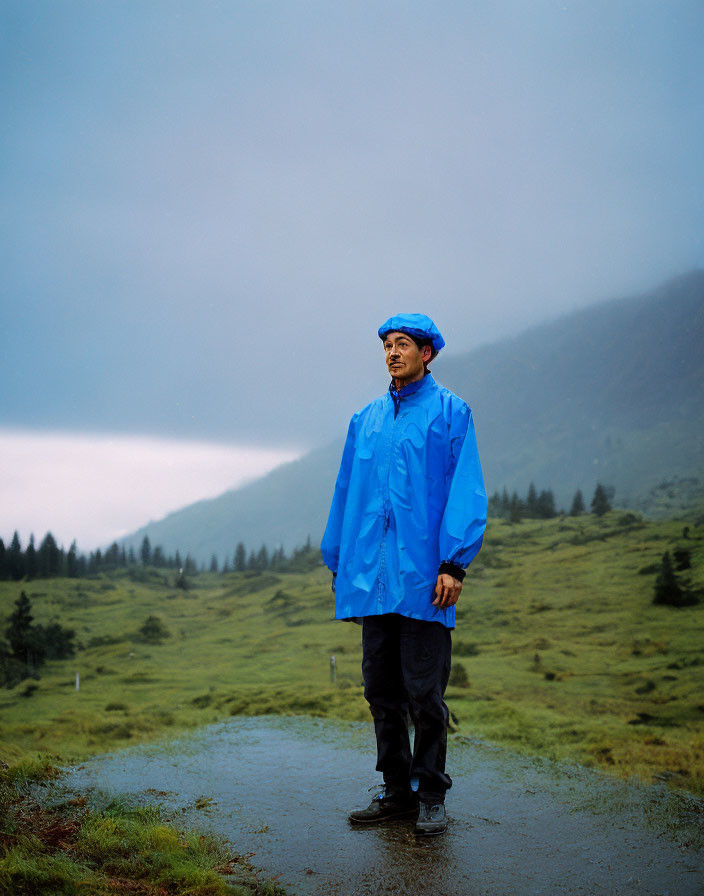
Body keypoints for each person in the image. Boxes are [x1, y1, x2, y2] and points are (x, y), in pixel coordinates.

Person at [321, 313, 487, 836]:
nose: (393, 353)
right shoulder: (364, 420)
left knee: (425, 694)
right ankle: (396, 792)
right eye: (388, 345)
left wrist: (454, 563)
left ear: (427, 353)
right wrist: (341, 561)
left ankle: (431, 792)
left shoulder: (450, 413)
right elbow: (347, 493)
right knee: (382, 691)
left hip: (425, 583)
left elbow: (466, 487)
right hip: (373, 579)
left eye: (404, 345)